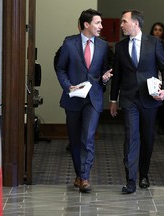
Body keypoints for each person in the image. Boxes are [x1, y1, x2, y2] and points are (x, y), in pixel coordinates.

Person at [109, 10, 164, 194]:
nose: (121, 25)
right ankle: (130, 180)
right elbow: (117, 76)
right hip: (129, 100)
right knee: (130, 138)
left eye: (124, 22)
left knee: (148, 139)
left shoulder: (154, 43)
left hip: (150, 99)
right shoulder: (120, 47)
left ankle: (143, 174)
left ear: (135, 23)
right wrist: (113, 99)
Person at [55, 8, 113, 193]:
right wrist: (67, 86)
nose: (101, 27)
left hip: (93, 98)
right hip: (73, 98)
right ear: (86, 24)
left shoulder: (103, 46)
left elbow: (104, 70)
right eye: (98, 23)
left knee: (87, 138)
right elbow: (60, 68)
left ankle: (85, 177)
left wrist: (105, 77)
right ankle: (79, 174)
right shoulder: (69, 43)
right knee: (74, 140)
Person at [149, 22, 164, 135]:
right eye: (155, 29)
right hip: (150, 74)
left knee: (161, 102)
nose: (157, 32)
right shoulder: (147, 44)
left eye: (160, 30)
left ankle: (161, 126)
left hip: (161, 75)